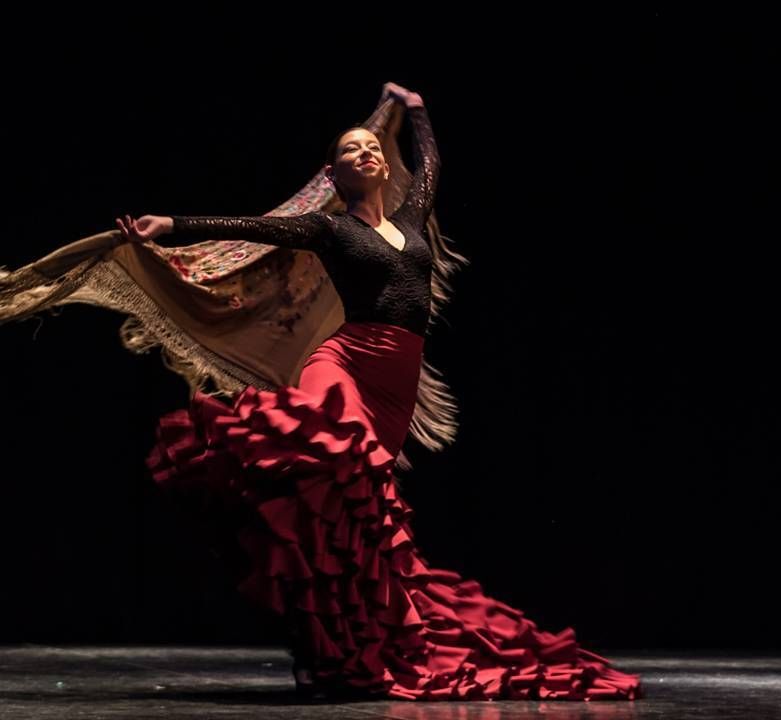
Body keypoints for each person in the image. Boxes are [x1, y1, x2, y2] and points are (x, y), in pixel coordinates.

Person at [115, 82, 643, 702]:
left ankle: (348, 642)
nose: (365, 152)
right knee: (334, 450)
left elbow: (433, 166)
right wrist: (171, 223)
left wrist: (416, 112)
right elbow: (253, 227)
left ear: (384, 164)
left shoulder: (412, 218)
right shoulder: (327, 229)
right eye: (350, 149)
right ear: (334, 173)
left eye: (371, 146)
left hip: (397, 379)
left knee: (364, 516)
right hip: (345, 360)